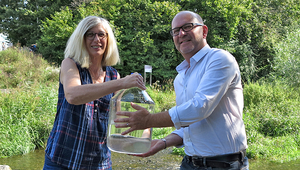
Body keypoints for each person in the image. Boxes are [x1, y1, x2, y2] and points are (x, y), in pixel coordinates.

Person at [114, 11, 249, 170]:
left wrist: (149, 120)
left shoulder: (220, 59)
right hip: (189, 163)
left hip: (224, 164)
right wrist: (163, 142)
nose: (181, 34)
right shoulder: (180, 78)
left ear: (204, 31)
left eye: (188, 26)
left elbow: (200, 108)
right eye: (176, 31)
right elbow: (189, 125)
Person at [43, 16, 146, 170]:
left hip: (99, 163)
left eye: (101, 34)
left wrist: (143, 129)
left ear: (108, 39)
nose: (96, 39)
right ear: (81, 39)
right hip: (62, 159)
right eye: (90, 34)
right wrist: (122, 82)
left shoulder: (113, 75)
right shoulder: (70, 64)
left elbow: (117, 118)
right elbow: (73, 95)